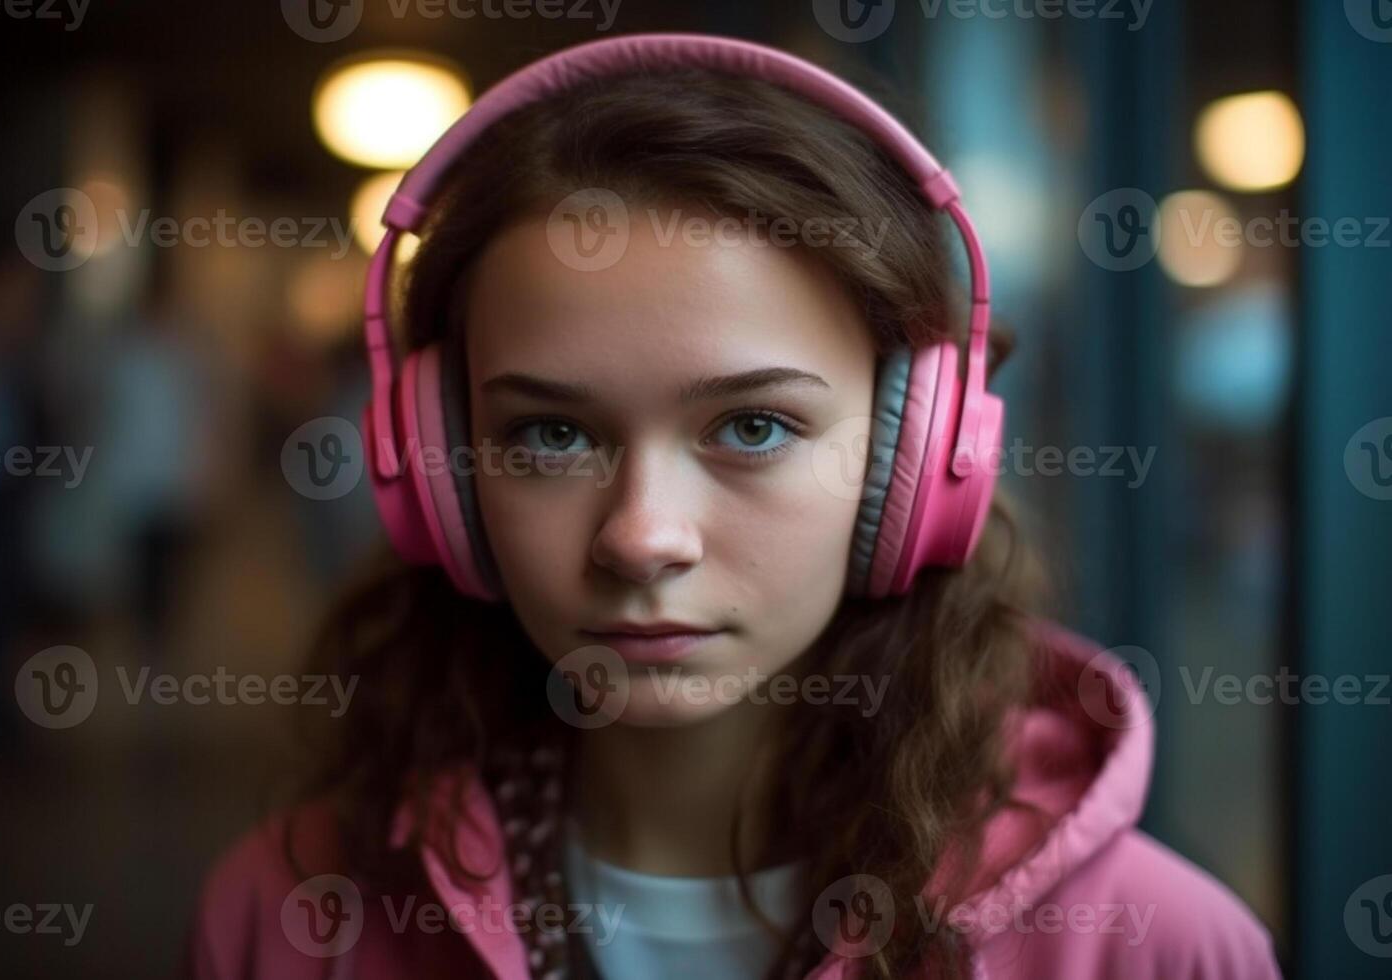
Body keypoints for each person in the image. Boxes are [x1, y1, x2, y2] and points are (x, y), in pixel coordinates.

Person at [186, 35, 1280, 979]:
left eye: (753, 426)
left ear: (917, 457)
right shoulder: (285, 917)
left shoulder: (1158, 947)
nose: (642, 536)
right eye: (551, 433)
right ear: (441, 473)